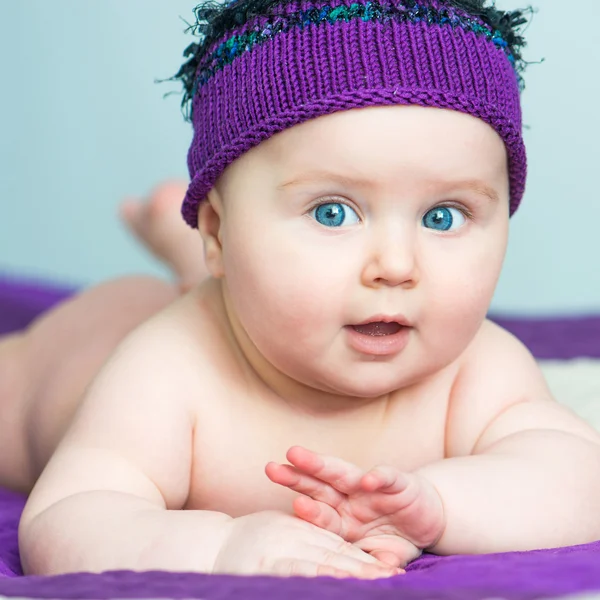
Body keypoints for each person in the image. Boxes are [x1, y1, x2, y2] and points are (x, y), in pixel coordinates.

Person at [3, 0, 600, 580]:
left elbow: (578, 476)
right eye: (333, 212)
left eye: (442, 216)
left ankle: (181, 245)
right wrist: (221, 545)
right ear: (220, 228)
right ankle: (181, 248)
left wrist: (441, 505)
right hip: (85, 346)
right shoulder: (166, 370)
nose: (396, 266)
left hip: (244, 295)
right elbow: (68, 517)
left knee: (259, 295)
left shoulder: (475, 367)